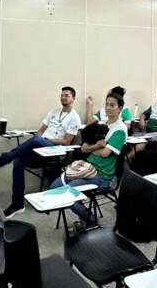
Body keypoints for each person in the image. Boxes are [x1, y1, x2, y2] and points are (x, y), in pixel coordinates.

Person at [0, 86, 82, 217]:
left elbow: (66, 142)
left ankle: (5, 158)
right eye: (62, 95)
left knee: (36, 140)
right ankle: (17, 204)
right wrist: (39, 137)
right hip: (40, 148)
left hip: (55, 153)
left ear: (73, 98)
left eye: (66, 95)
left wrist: (44, 139)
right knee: (19, 160)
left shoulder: (75, 118)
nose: (63, 97)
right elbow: (40, 130)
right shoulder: (54, 111)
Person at [50, 92, 128, 230]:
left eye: (112, 105)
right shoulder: (101, 124)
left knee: (68, 193)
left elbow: (104, 154)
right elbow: (84, 148)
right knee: (54, 188)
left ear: (120, 108)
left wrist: (91, 148)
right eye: (106, 104)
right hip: (86, 168)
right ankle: (85, 220)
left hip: (102, 176)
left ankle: (92, 222)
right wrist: (97, 145)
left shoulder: (120, 130)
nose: (108, 108)